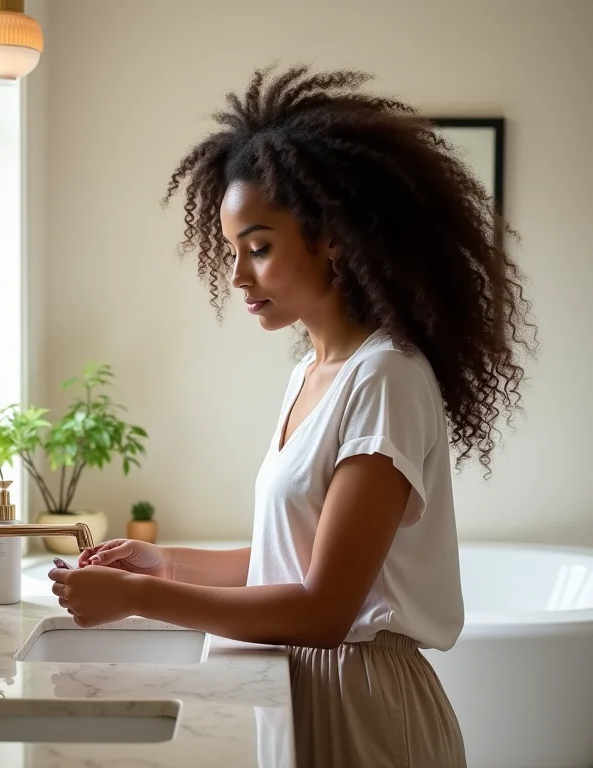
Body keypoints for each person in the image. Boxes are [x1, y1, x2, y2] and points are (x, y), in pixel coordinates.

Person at [49, 65, 537, 767]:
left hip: (363, 709)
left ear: (331, 237)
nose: (239, 277)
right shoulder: (312, 373)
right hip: (305, 689)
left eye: (260, 246)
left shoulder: (386, 377)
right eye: (232, 252)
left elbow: (324, 609)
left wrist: (137, 597)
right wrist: (164, 565)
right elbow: (298, 556)